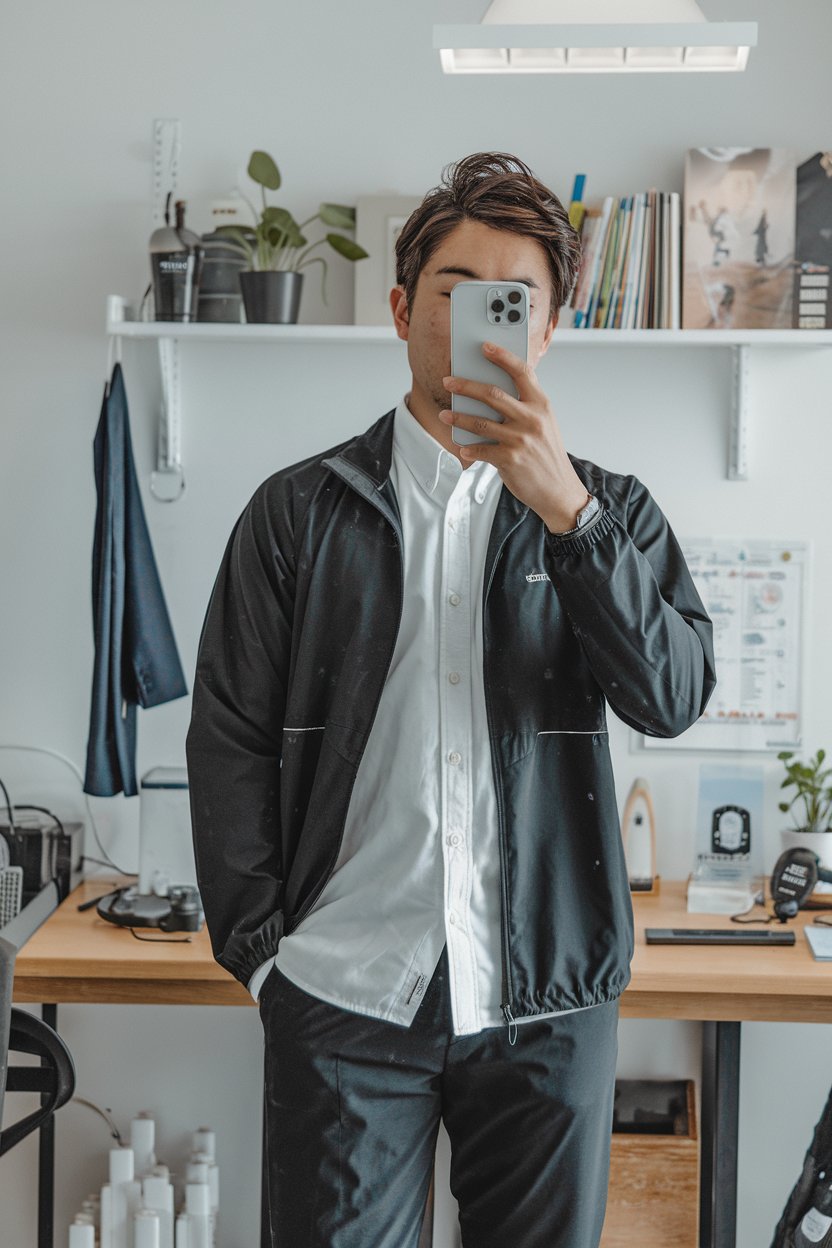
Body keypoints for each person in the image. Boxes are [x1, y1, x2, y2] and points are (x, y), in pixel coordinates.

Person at [185, 151, 716, 1248]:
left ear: (549, 329)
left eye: (511, 300)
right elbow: (228, 735)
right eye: (453, 291)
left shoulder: (611, 513)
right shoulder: (295, 516)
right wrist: (264, 957)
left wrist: (570, 516)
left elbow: (670, 695)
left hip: (546, 1007)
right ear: (400, 309)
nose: (478, 320)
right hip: (340, 995)